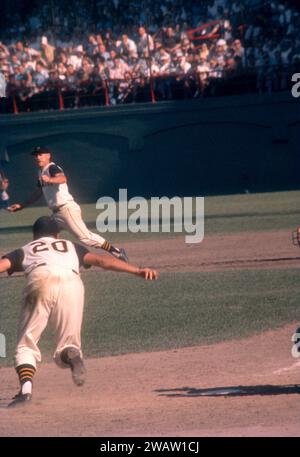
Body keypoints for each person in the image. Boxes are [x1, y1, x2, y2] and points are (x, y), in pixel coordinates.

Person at [0, 216, 158, 408]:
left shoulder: (27, 249)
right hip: (72, 284)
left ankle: (25, 393)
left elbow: (3, 266)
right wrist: (136, 270)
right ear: (57, 235)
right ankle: (71, 354)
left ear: (35, 236)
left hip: (40, 282)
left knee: (26, 344)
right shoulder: (70, 246)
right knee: (67, 345)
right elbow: (101, 260)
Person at [8, 146, 128, 262]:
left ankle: (117, 251)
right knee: (44, 237)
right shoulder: (41, 172)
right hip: (56, 214)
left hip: (66, 210)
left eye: (40, 154)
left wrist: (50, 179)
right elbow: (39, 192)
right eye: (35, 155)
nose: (38, 157)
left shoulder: (52, 168)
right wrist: (21, 206)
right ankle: (54, 261)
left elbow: (62, 179)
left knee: (86, 238)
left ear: (48, 156)